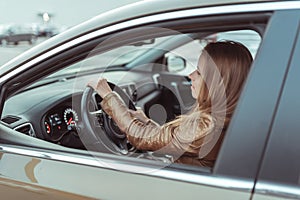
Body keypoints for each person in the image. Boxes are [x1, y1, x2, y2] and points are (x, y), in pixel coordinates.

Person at [89, 41, 253, 167]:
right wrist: (144, 120)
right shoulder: (229, 118)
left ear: (216, 83)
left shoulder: (206, 125)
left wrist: (108, 95)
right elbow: (171, 140)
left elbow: (140, 137)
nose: (191, 75)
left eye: (199, 72)